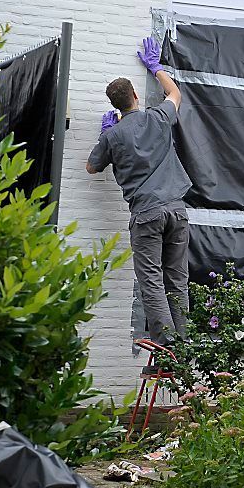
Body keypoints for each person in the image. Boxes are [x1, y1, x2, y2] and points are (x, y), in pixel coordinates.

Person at [86, 36, 191, 346]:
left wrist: (105, 135)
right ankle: (182, 348)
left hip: (146, 216)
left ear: (114, 106)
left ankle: (167, 349)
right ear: (134, 94)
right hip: (177, 211)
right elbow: (174, 92)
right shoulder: (158, 117)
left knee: (152, 282)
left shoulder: (113, 136)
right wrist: (155, 67)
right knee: (177, 282)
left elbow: (92, 168)